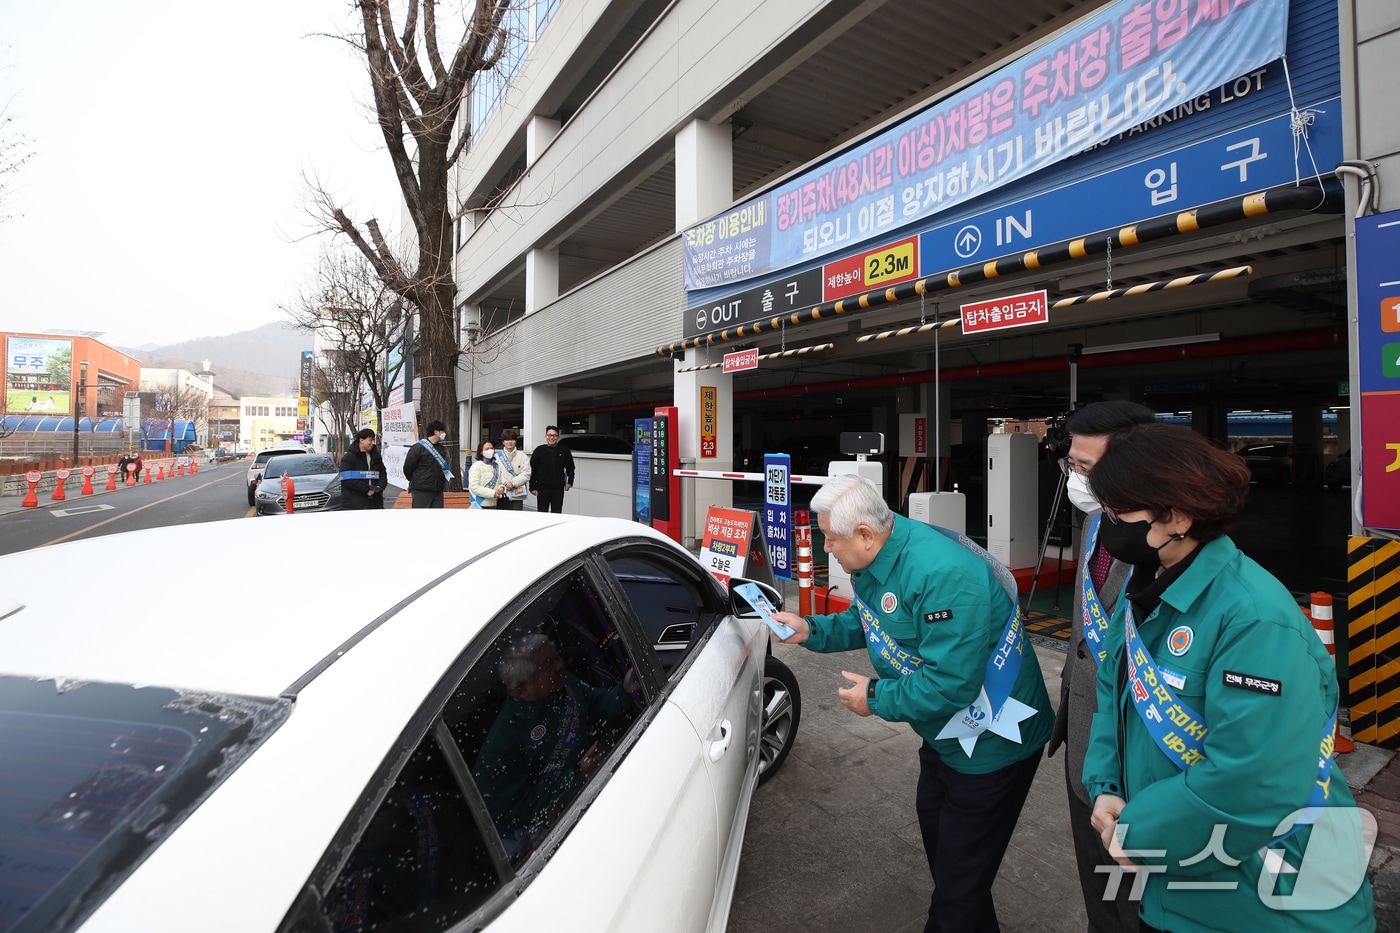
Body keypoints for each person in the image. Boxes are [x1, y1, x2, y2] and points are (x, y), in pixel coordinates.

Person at [1083, 423, 1374, 932]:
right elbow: (1114, 689)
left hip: (1270, 900)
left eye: (1118, 510)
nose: (1108, 522)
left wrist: (1137, 830)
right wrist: (1106, 784)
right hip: (1180, 880)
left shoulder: (1254, 619)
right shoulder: (1148, 586)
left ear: (1176, 517)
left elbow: (1252, 780)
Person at [772, 473, 1052, 933]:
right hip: (945, 735)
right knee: (951, 863)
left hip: (993, 740)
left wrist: (876, 698)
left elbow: (951, 684)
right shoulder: (883, 552)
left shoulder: (940, 573)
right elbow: (874, 621)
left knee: (957, 887)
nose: (826, 549)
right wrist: (810, 630)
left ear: (864, 533)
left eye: (830, 538)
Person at [1044, 401, 1155, 933]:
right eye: (1073, 465)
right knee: (1097, 889)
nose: (1076, 479)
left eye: (1087, 468)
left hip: (1145, 753)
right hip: (1085, 739)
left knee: (1141, 899)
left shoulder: (1167, 542)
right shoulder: (1094, 521)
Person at [472, 634, 640, 856]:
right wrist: (576, 776)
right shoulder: (503, 741)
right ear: (523, 689)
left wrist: (625, 691)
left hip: (596, 790)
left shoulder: (564, 685)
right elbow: (512, 811)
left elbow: (599, 703)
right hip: (554, 833)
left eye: (557, 657)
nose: (560, 666)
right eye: (549, 665)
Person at [402, 420, 452, 509]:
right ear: (436, 432)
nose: (444, 434)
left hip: (438, 490)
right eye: (442, 431)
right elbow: (408, 468)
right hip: (421, 490)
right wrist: (417, 480)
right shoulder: (418, 448)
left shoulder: (441, 448)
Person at [529, 425, 575, 514]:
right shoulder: (539, 450)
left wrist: (570, 482)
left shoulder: (564, 450)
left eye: (554, 435)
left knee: (557, 513)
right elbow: (533, 469)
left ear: (558, 437)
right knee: (542, 513)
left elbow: (570, 467)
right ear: (545, 436)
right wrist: (532, 487)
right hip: (542, 488)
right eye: (549, 435)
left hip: (558, 488)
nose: (551, 438)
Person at [339, 428, 389, 510]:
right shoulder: (349, 457)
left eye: (373, 440)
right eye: (370, 440)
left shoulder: (375, 456)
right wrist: (367, 490)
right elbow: (346, 479)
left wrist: (379, 487)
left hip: (375, 501)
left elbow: (382, 473)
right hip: (355, 503)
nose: (373, 443)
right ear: (361, 440)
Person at [493, 429, 531, 511]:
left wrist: (513, 483)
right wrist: (506, 483)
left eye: (512, 439)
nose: (510, 442)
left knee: (517, 519)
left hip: (517, 494)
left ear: (515, 441)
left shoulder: (523, 456)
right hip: (502, 493)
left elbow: (527, 473)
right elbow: (495, 473)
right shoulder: (497, 457)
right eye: (507, 440)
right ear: (503, 442)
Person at [468, 441, 505, 508]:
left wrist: (502, 488)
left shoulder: (497, 466)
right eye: (487, 449)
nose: (490, 450)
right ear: (481, 452)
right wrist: (493, 493)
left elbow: (501, 482)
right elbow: (474, 486)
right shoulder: (476, 466)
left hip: (494, 504)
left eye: (491, 448)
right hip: (480, 504)